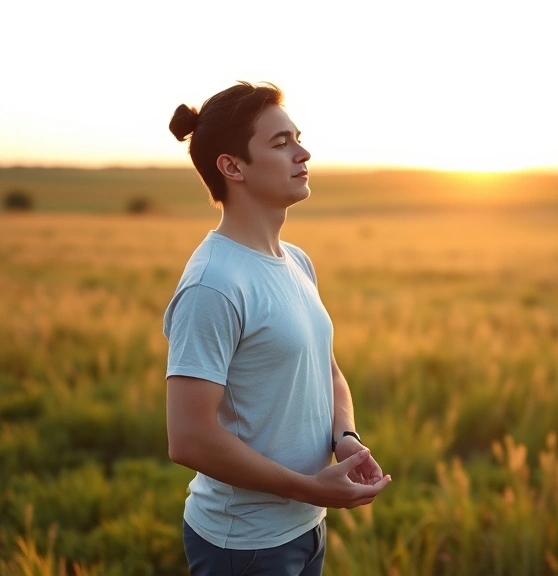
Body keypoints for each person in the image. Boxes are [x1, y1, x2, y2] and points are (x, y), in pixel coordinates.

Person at [163, 81, 391, 576]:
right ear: (232, 167)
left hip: (304, 527)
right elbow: (189, 438)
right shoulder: (214, 285)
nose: (303, 153)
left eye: (298, 138)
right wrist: (311, 488)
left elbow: (327, 372)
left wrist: (344, 436)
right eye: (280, 143)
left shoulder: (296, 262)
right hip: (242, 545)